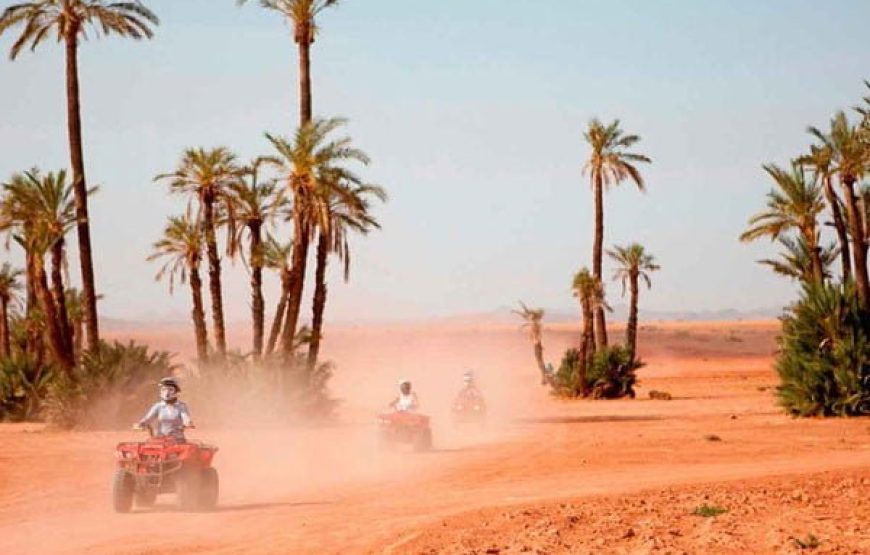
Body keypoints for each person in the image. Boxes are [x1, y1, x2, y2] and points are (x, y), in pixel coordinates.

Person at [135, 377, 194, 441]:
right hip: (160, 439)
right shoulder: (158, 406)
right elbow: (148, 419)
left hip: (177, 440)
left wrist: (188, 423)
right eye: (164, 389)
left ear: (176, 392)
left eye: (170, 389)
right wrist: (140, 424)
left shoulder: (181, 406)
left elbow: (185, 418)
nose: (167, 393)